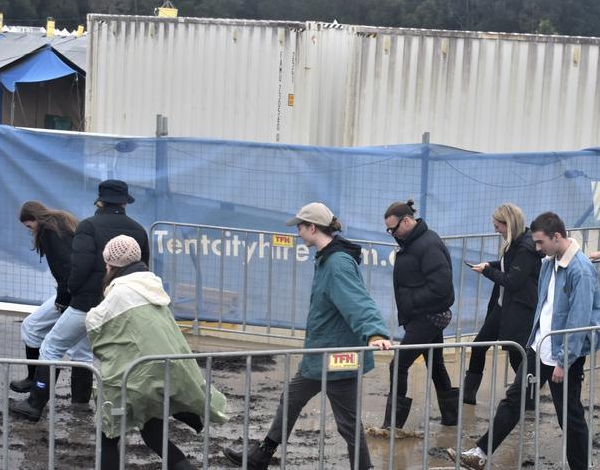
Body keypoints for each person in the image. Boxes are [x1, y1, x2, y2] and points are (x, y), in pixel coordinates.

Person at [223, 202, 391, 470]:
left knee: (347, 421)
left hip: (337, 357)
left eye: (300, 227)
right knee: (291, 398)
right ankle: (261, 456)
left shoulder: (337, 264)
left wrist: (375, 333)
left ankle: (364, 467)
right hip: (320, 353)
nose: (298, 233)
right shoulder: (326, 258)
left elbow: (358, 301)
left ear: (313, 228)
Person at [448, 212, 600, 470]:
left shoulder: (580, 270)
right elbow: (545, 307)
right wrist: (533, 342)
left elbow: (579, 320)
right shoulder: (550, 263)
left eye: (540, 243)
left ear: (557, 237)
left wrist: (564, 361)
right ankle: (480, 453)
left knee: (570, 416)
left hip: (563, 356)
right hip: (539, 347)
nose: (537, 248)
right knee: (513, 400)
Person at [11, 180, 150, 421]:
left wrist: (72, 292)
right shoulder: (138, 230)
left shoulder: (89, 226)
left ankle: (35, 403)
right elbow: (142, 269)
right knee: (84, 353)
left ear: (100, 201)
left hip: (86, 301)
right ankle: (80, 403)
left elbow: (79, 266)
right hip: (117, 303)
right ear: (125, 203)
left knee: (51, 347)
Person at [85, 235, 228, 470]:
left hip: (135, 378)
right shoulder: (150, 286)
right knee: (153, 433)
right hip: (159, 373)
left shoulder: (121, 292)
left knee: (108, 436)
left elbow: (96, 325)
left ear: (111, 264)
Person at [382, 199, 458, 429]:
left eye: (393, 229)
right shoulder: (413, 242)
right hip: (424, 315)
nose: (391, 233)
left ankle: (391, 425)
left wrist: (410, 302)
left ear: (406, 221)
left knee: (398, 365)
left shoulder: (428, 244)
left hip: (428, 317)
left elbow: (442, 287)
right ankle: (451, 418)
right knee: (436, 365)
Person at [10, 201, 93, 404]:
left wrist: (62, 300)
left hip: (73, 294)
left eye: (29, 227)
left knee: (33, 328)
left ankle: (35, 384)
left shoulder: (49, 230)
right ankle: (80, 406)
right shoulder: (64, 221)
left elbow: (65, 266)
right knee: (82, 352)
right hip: (89, 292)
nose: (31, 232)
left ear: (35, 219)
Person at [463, 204, 541, 406]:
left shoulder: (526, 248)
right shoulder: (513, 242)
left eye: (498, 226)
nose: (495, 230)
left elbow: (513, 280)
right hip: (502, 306)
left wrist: (487, 271)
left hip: (519, 308)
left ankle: (530, 397)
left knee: (516, 353)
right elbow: (509, 267)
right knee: (479, 346)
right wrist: (489, 265)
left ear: (509, 224)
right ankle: (467, 395)